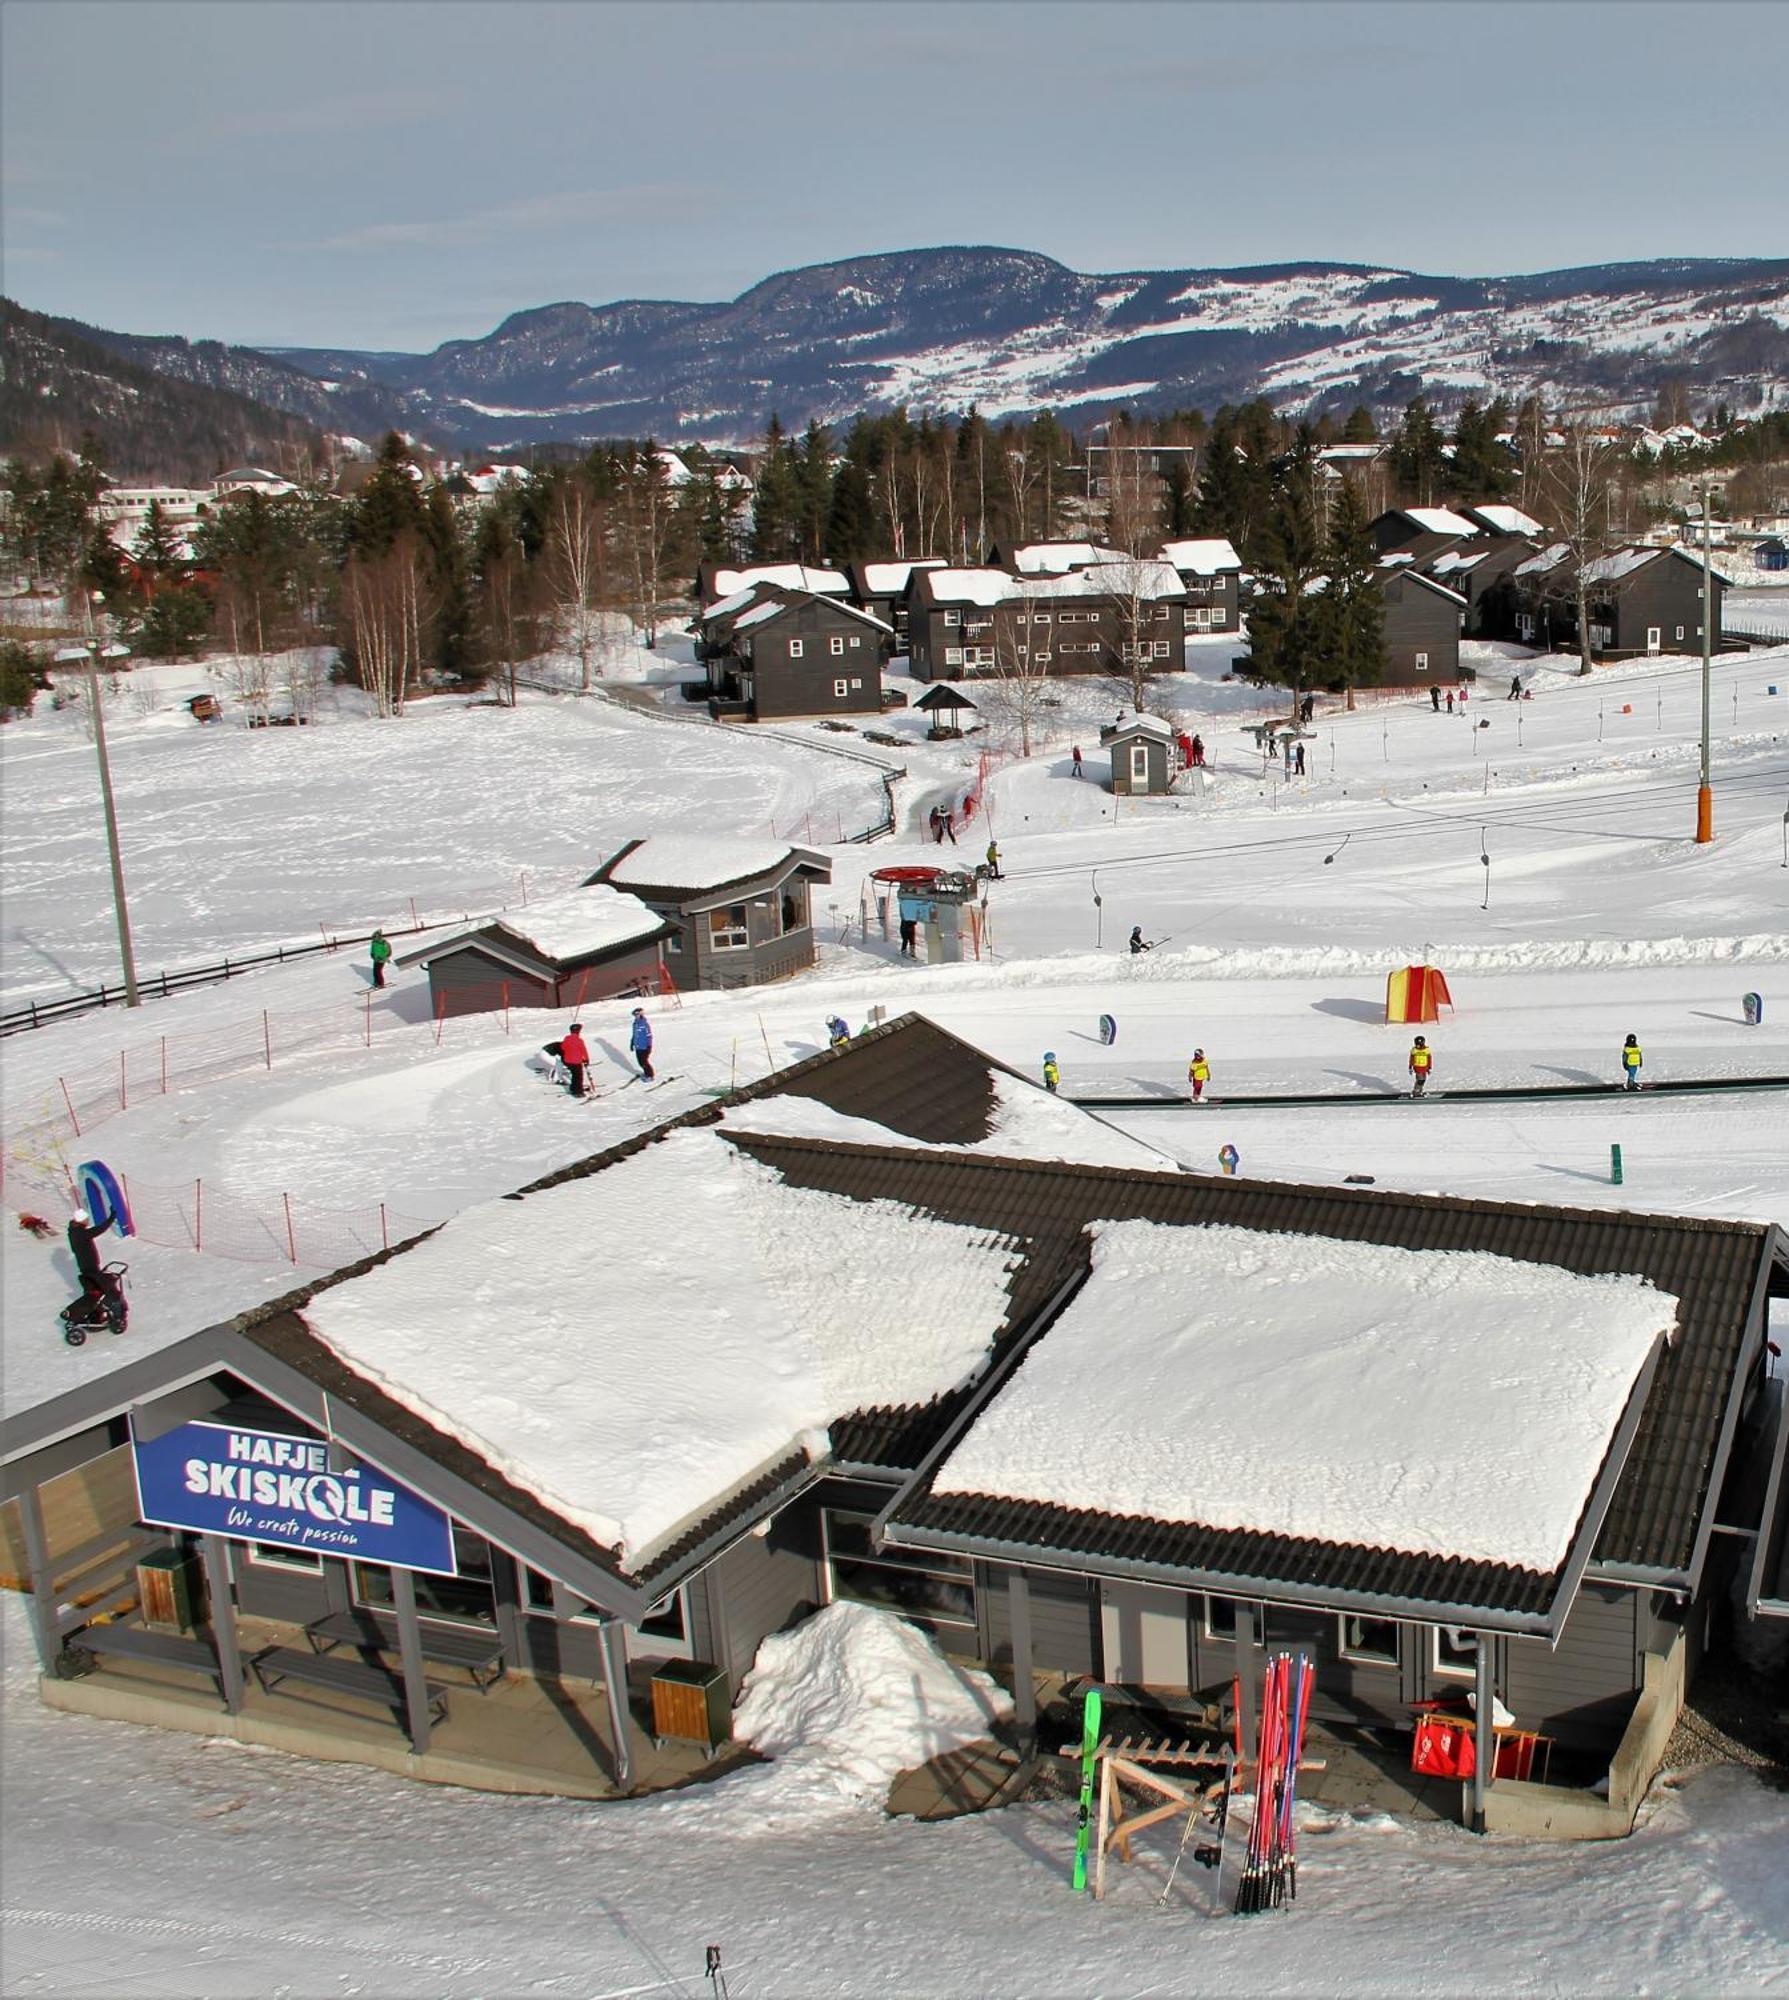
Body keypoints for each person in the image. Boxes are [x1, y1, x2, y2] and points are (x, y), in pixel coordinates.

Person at [66, 1208, 124, 1325]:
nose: (88, 1221)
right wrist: (112, 1217)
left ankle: (95, 1315)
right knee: (100, 1290)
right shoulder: (80, 1233)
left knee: (94, 1292)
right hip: (89, 1267)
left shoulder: (74, 1231)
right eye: (86, 1219)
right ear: (81, 1220)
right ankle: (98, 1314)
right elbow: (99, 1230)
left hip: (86, 1266)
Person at [559, 1021, 590, 1097]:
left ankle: (573, 1088)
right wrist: (586, 1060)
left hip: (567, 1061)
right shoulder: (579, 1041)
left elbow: (562, 1047)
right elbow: (584, 1051)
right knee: (578, 1077)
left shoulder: (566, 1038)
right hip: (576, 1062)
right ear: (578, 1031)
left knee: (574, 1075)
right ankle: (578, 1092)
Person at [629, 1006, 655, 1081]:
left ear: (641, 1014)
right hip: (638, 1047)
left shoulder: (644, 1024)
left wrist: (649, 1045)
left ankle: (650, 1075)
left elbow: (649, 1035)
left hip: (644, 1047)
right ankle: (646, 1073)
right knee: (640, 1062)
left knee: (644, 1062)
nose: (636, 1016)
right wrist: (632, 1043)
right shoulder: (635, 1024)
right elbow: (634, 1035)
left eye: (637, 1014)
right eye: (634, 1015)